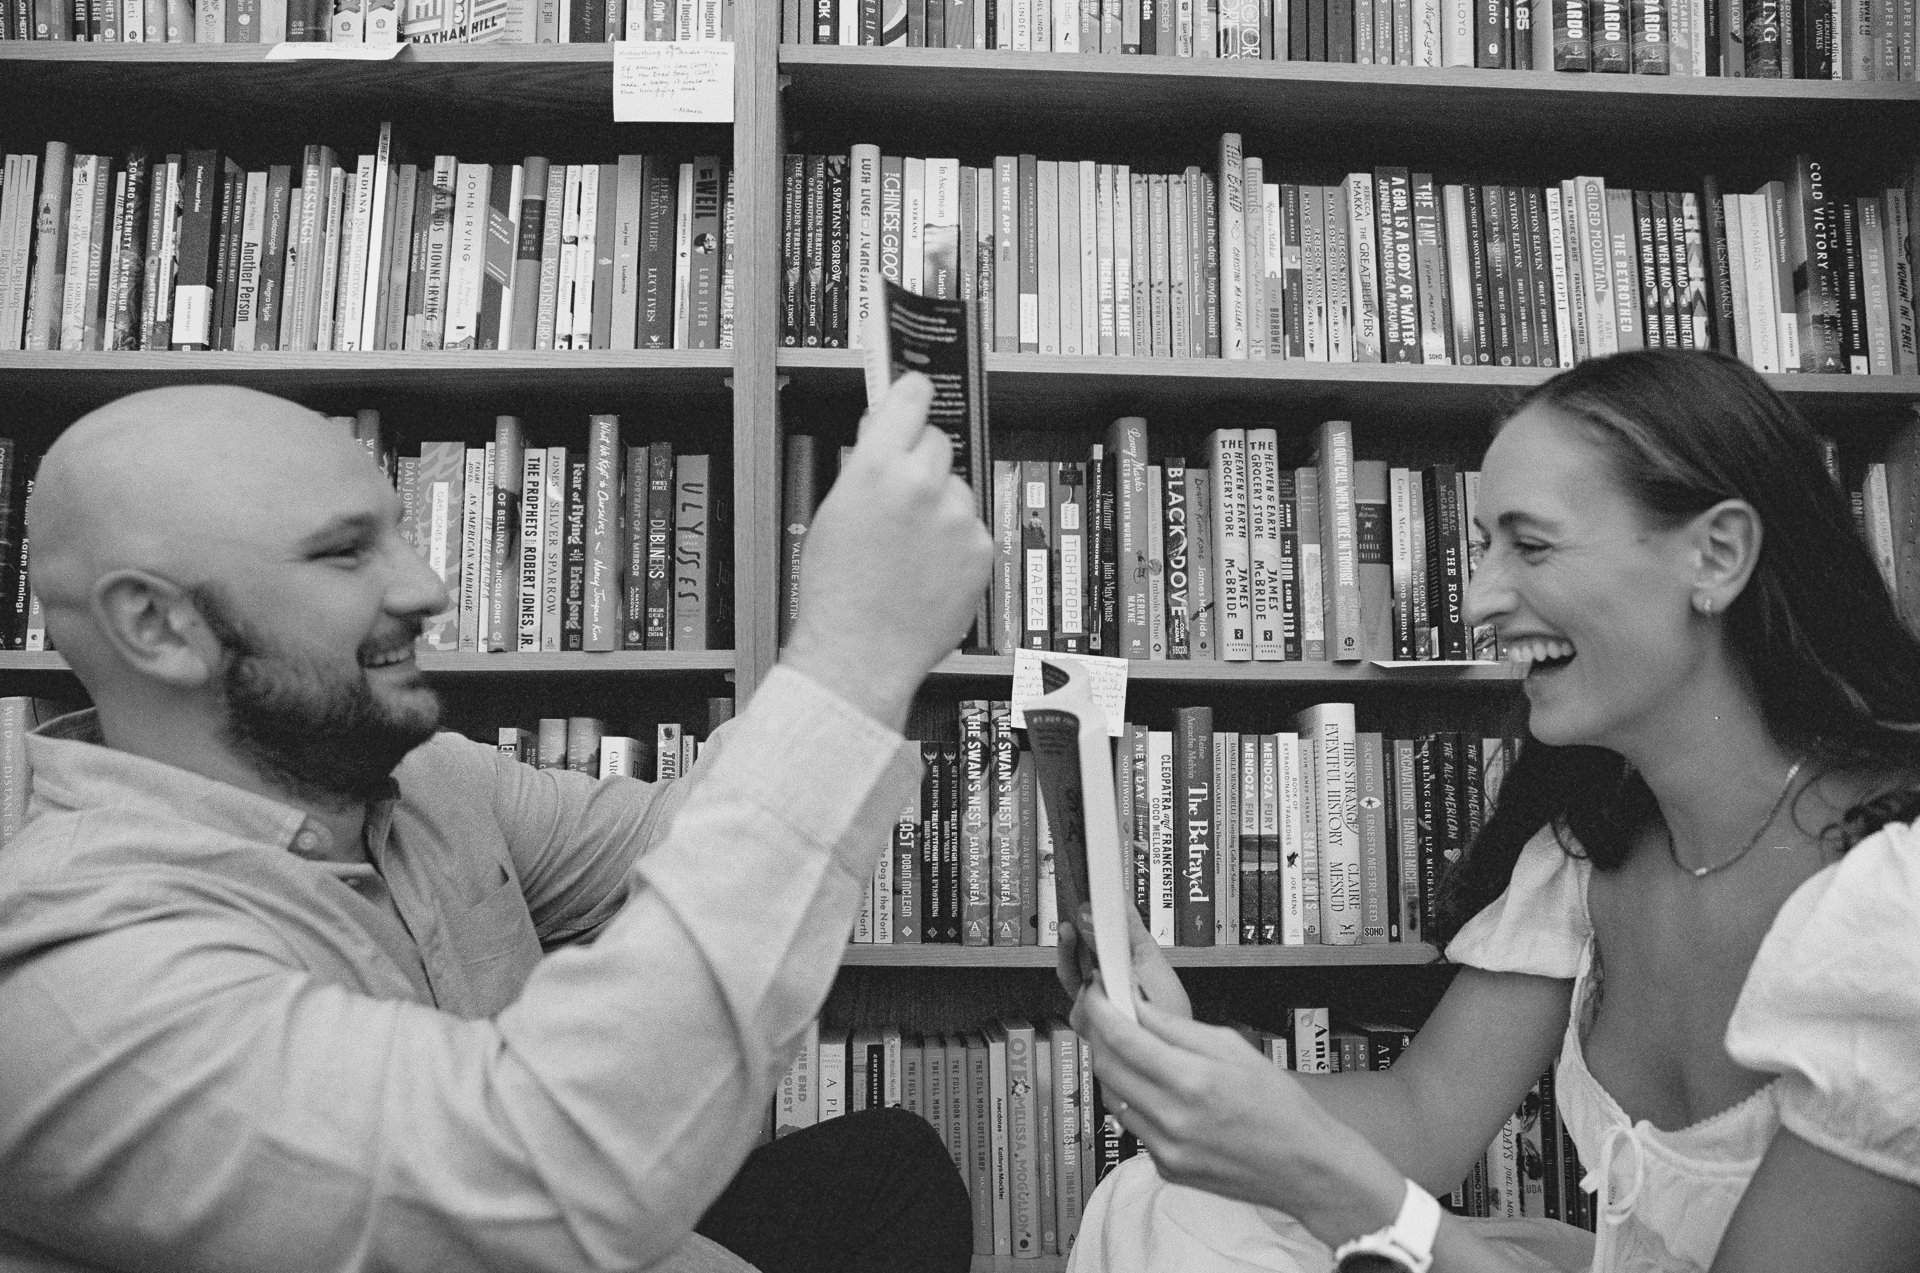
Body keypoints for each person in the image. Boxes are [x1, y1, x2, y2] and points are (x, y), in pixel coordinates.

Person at [0, 376, 992, 1273]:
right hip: (535, 1221)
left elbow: (703, 841)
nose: (427, 586)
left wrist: (870, 635)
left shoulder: (417, 782)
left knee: (888, 1165)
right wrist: (850, 657)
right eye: (347, 551)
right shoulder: (70, 974)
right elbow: (543, 1183)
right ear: (156, 625)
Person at [1057, 349, 1920, 1273]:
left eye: (1532, 545)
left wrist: (1336, 1187)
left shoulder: (1894, 905)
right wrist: (1173, 1051)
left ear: (1716, 554)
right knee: (1160, 1195)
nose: (1475, 602)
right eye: (1482, 546)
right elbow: (1425, 1117)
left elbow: (1368, 1178)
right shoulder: (1592, 853)